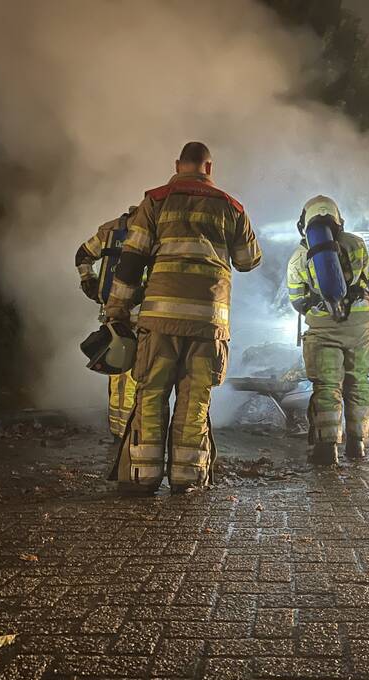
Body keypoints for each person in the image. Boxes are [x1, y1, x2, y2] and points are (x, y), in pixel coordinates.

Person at [104, 142, 262, 494]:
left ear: (178, 164)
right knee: (195, 401)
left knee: (150, 394)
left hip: (159, 323)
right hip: (208, 325)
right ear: (209, 167)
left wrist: (116, 310)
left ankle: (142, 477)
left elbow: (130, 263)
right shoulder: (231, 207)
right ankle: (187, 479)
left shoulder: (155, 201)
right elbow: (250, 259)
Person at [287, 195, 369, 466]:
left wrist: (319, 306)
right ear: (338, 219)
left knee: (327, 386)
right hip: (361, 327)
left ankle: (327, 449)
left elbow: (297, 300)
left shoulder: (299, 257)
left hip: (324, 329)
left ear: (305, 224)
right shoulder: (357, 244)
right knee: (358, 381)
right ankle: (357, 444)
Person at [76, 206, 140, 437]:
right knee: (137, 373)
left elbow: (82, 255)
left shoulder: (110, 231)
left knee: (117, 369)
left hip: (114, 316)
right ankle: (130, 429)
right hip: (143, 318)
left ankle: (118, 428)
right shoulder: (154, 232)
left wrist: (89, 282)